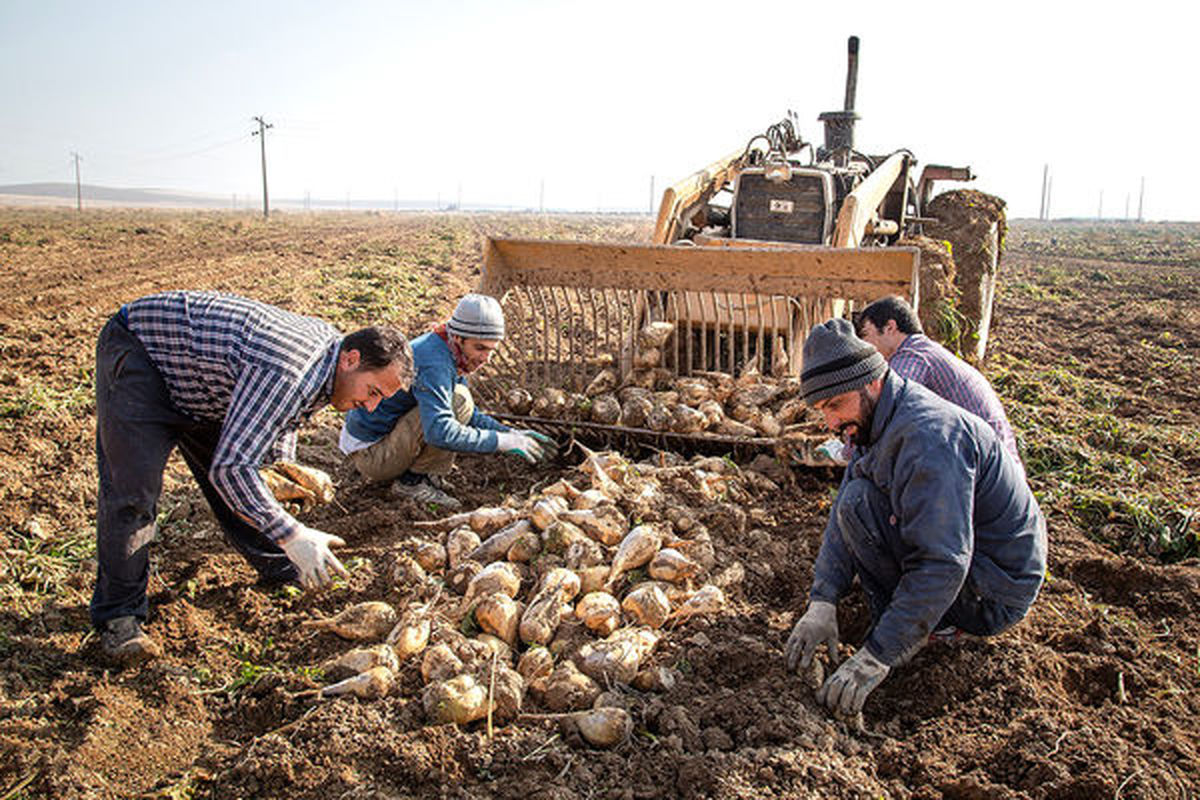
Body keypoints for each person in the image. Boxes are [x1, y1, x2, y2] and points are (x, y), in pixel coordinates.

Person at [92, 290, 414, 665]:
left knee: (243, 483)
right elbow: (233, 467)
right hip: (144, 356)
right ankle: (119, 617)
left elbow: (281, 415)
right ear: (352, 359)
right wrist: (292, 534)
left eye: (380, 400)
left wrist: (283, 465)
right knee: (133, 496)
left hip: (200, 384)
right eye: (373, 391)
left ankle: (278, 564)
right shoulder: (292, 370)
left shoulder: (329, 361)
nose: (371, 405)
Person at [785, 318, 1046, 716]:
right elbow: (844, 512)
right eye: (823, 410)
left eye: (835, 405)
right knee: (856, 501)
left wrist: (878, 654)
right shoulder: (876, 421)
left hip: (993, 591)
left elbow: (942, 562)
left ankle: (933, 629)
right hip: (972, 563)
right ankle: (908, 619)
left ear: (871, 382)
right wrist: (823, 599)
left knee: (876, 518)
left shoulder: (928, 439)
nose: (831, 423)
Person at [339, 293, 556, 509]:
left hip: (384, 442)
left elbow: (469, 416)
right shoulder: (435, 361)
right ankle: (412, 483)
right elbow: (440, 431)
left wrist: (510, 434)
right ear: (459, 338)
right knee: (458, 400)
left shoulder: (447, 347)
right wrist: (502, 442)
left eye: (492, 349)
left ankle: (423, 475)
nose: (486, 359)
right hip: (372, 455)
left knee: (459, 400)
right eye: (480, 348)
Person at [855, 295, 1021, 467]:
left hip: (984, 466)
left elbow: (886, 411)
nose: (865, 345)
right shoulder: (924, 350)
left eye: (866, 334)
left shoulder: (913, 358)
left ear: (890, 327)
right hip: (993, 459)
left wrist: (848, 449)